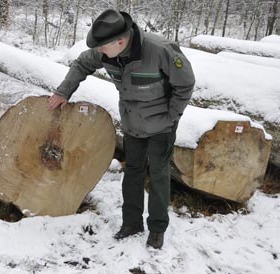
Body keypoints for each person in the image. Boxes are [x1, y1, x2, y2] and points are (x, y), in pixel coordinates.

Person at [48, 9, 195, 249]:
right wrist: (63, 91)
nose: (99, 52)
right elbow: (82, 64)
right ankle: (131, 223)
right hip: (132, 124)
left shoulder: (160, 50)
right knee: (133, 173)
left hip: (162, 127)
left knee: (158, 175)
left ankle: (157, 228)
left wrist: (171, 116)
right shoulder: (106, 53)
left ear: (120, 40)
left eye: (103, 47)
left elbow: (185, 84)